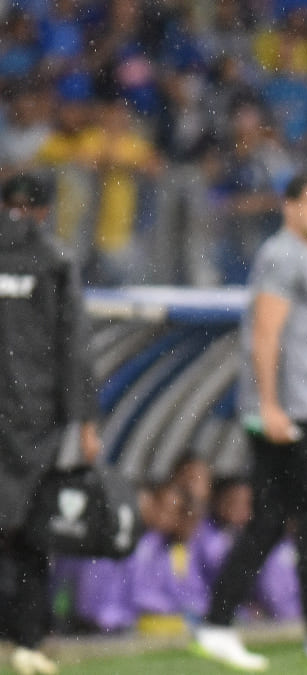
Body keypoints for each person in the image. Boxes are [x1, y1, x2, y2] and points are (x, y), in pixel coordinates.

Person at [192, 173, 307, 671]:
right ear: (289, 207)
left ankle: (218, 624)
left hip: (294, 408)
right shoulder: (283, 255)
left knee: (272, 520)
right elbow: (264, 333)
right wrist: (270, 406)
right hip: (287, 413)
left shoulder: (300, 256)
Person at [0, 172, 101, 675]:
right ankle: (29, 640)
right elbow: (75, 347)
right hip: (36, 418)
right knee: (31, 530)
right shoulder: (56, 260)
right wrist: (85, 420)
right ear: (45, 209)